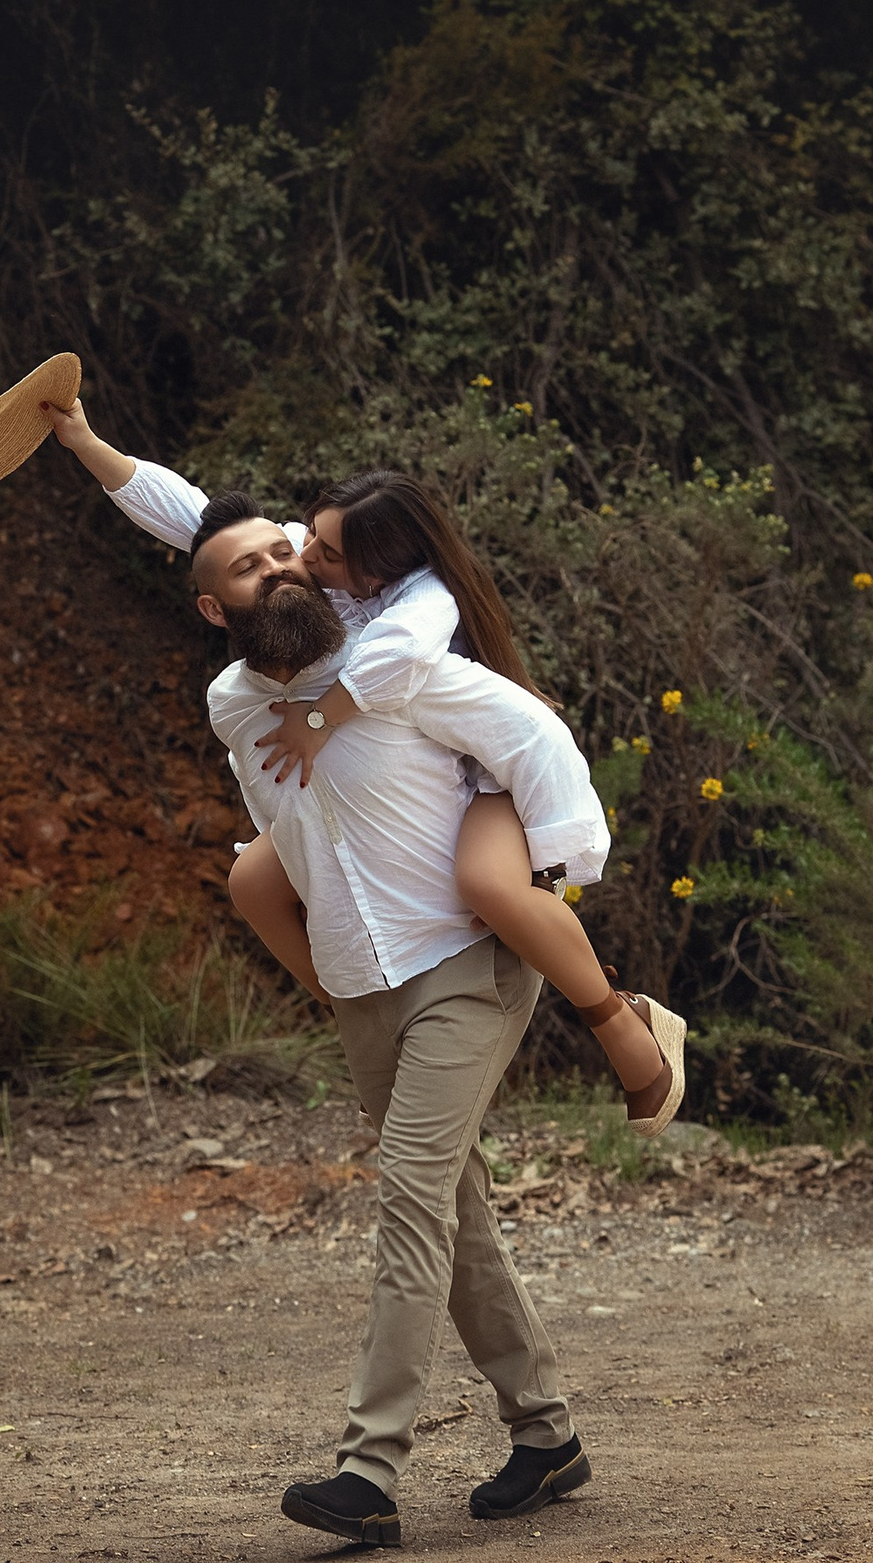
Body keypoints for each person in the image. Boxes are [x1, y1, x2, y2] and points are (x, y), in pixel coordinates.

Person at [44, 399, 684, 1135]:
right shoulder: (309, 563)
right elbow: (191, 517)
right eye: (306, 539)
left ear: (379, 572)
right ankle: (369, 1027)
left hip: (488, 772)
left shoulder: (413, 609)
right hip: (410, 766)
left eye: (323, 554)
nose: (303, 560)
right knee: (253, 878)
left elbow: (413, 668)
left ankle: (623, 1025)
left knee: (486, 884)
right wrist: (86, 441)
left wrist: (319, 720)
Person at [179, 488, 597, 1545]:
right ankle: (546, 1437)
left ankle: (366, 1474)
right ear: (211, 609)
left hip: (465, 963)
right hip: (360, 984)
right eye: (246, 567)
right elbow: (184, 513)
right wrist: (82, 443)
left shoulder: (391, 662)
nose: (277, 567)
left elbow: (436, 628)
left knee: (410, 1199)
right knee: (454, 1218)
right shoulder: (233, 706)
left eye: (286, 551)